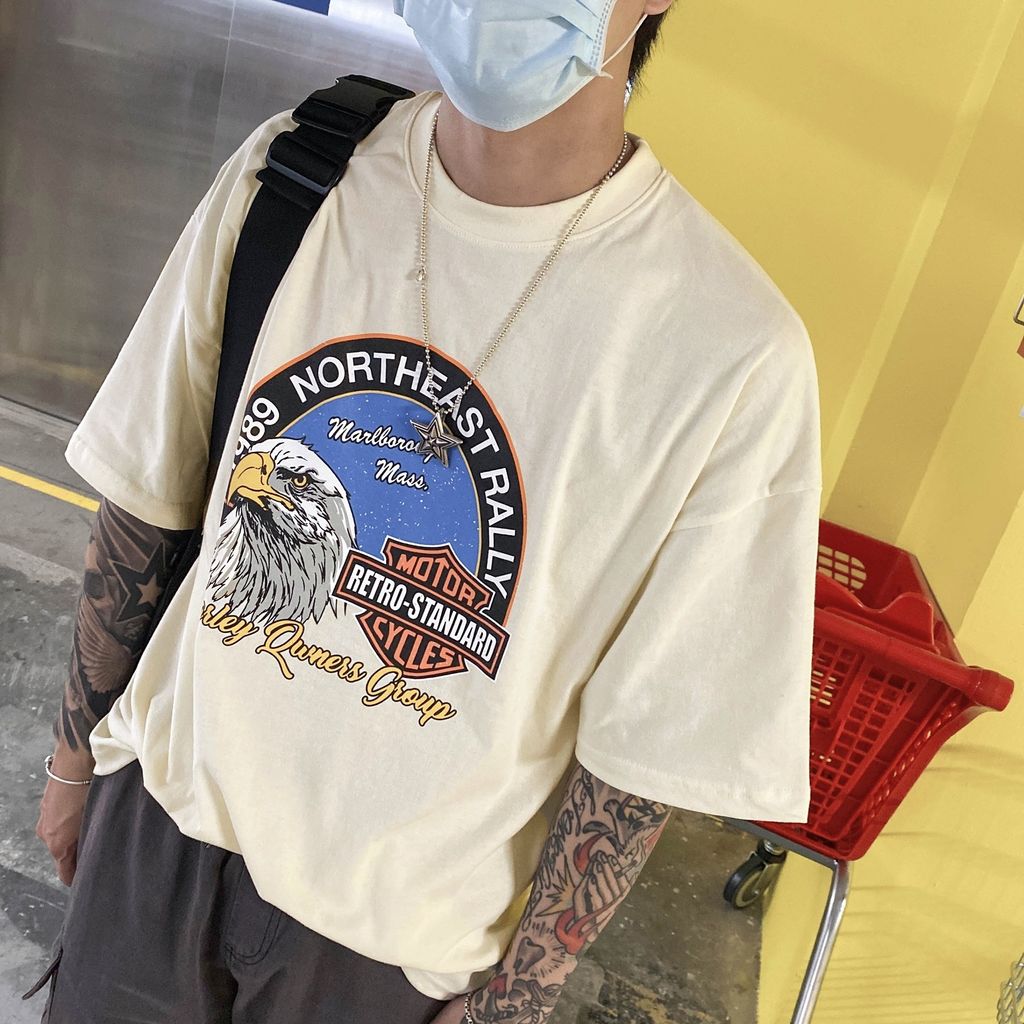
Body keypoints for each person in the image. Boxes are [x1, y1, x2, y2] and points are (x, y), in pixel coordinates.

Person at [27, 0, 824, 1021]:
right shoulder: (295, 174)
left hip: (387, 951)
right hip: (158, 831)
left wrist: (513, 1003)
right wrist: (74, 760)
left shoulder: (730, 352)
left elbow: (643, 750)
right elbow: (148, 495)